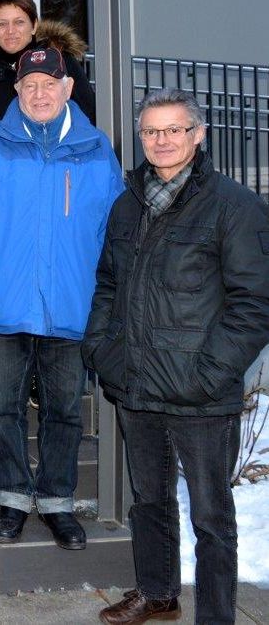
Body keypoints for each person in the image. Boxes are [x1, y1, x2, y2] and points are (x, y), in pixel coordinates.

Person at [83, 89, 269, 625]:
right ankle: (158, 593)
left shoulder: (234, 206)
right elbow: (107, 284)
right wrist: (103, 349)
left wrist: (211, 371)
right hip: (138, 384)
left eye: (173, 130)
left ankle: (216, 616)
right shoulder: (129, 202)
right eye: (150, 132)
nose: (161, 141)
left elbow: (255, 303)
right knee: (149, 500)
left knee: (211, 517)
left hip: (201, 393)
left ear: (198, 134)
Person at [0, 45, 122, 552]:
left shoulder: (97, 149)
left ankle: (57, 501)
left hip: (71, 305)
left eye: (48, 84)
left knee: (65, 410)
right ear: (16, 90)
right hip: (3, 304)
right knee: (1, 407)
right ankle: (12, 497)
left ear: (67, 88)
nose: (38, 93)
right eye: (29, 85)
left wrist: (106, 300)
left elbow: (113, 234)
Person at [0, 0, 96, 124]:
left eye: (19, 22)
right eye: (2, 24)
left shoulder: (60, 61)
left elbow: (88, 115)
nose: (10, 31)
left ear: (33, 26)